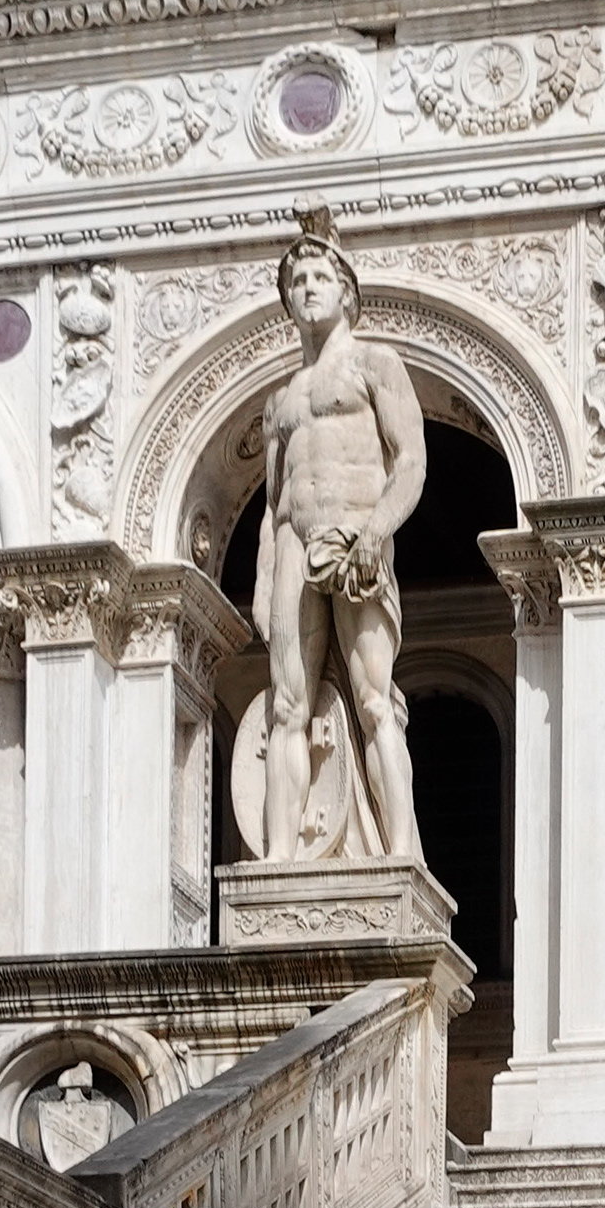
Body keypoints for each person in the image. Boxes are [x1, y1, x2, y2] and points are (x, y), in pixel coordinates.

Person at [255, 212, 424, 860]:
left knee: (375, 700)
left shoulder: (376, 365)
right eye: (296, 281)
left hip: (357, 534)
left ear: (346, 290)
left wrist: (377, 533)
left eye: (319, 276)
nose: (306, 289)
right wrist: (266, 575)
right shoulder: (282, 399)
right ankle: (279, 855)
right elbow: (274, 503)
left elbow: (410, 461)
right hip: (298, 542)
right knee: (286, 706)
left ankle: (403, 851)